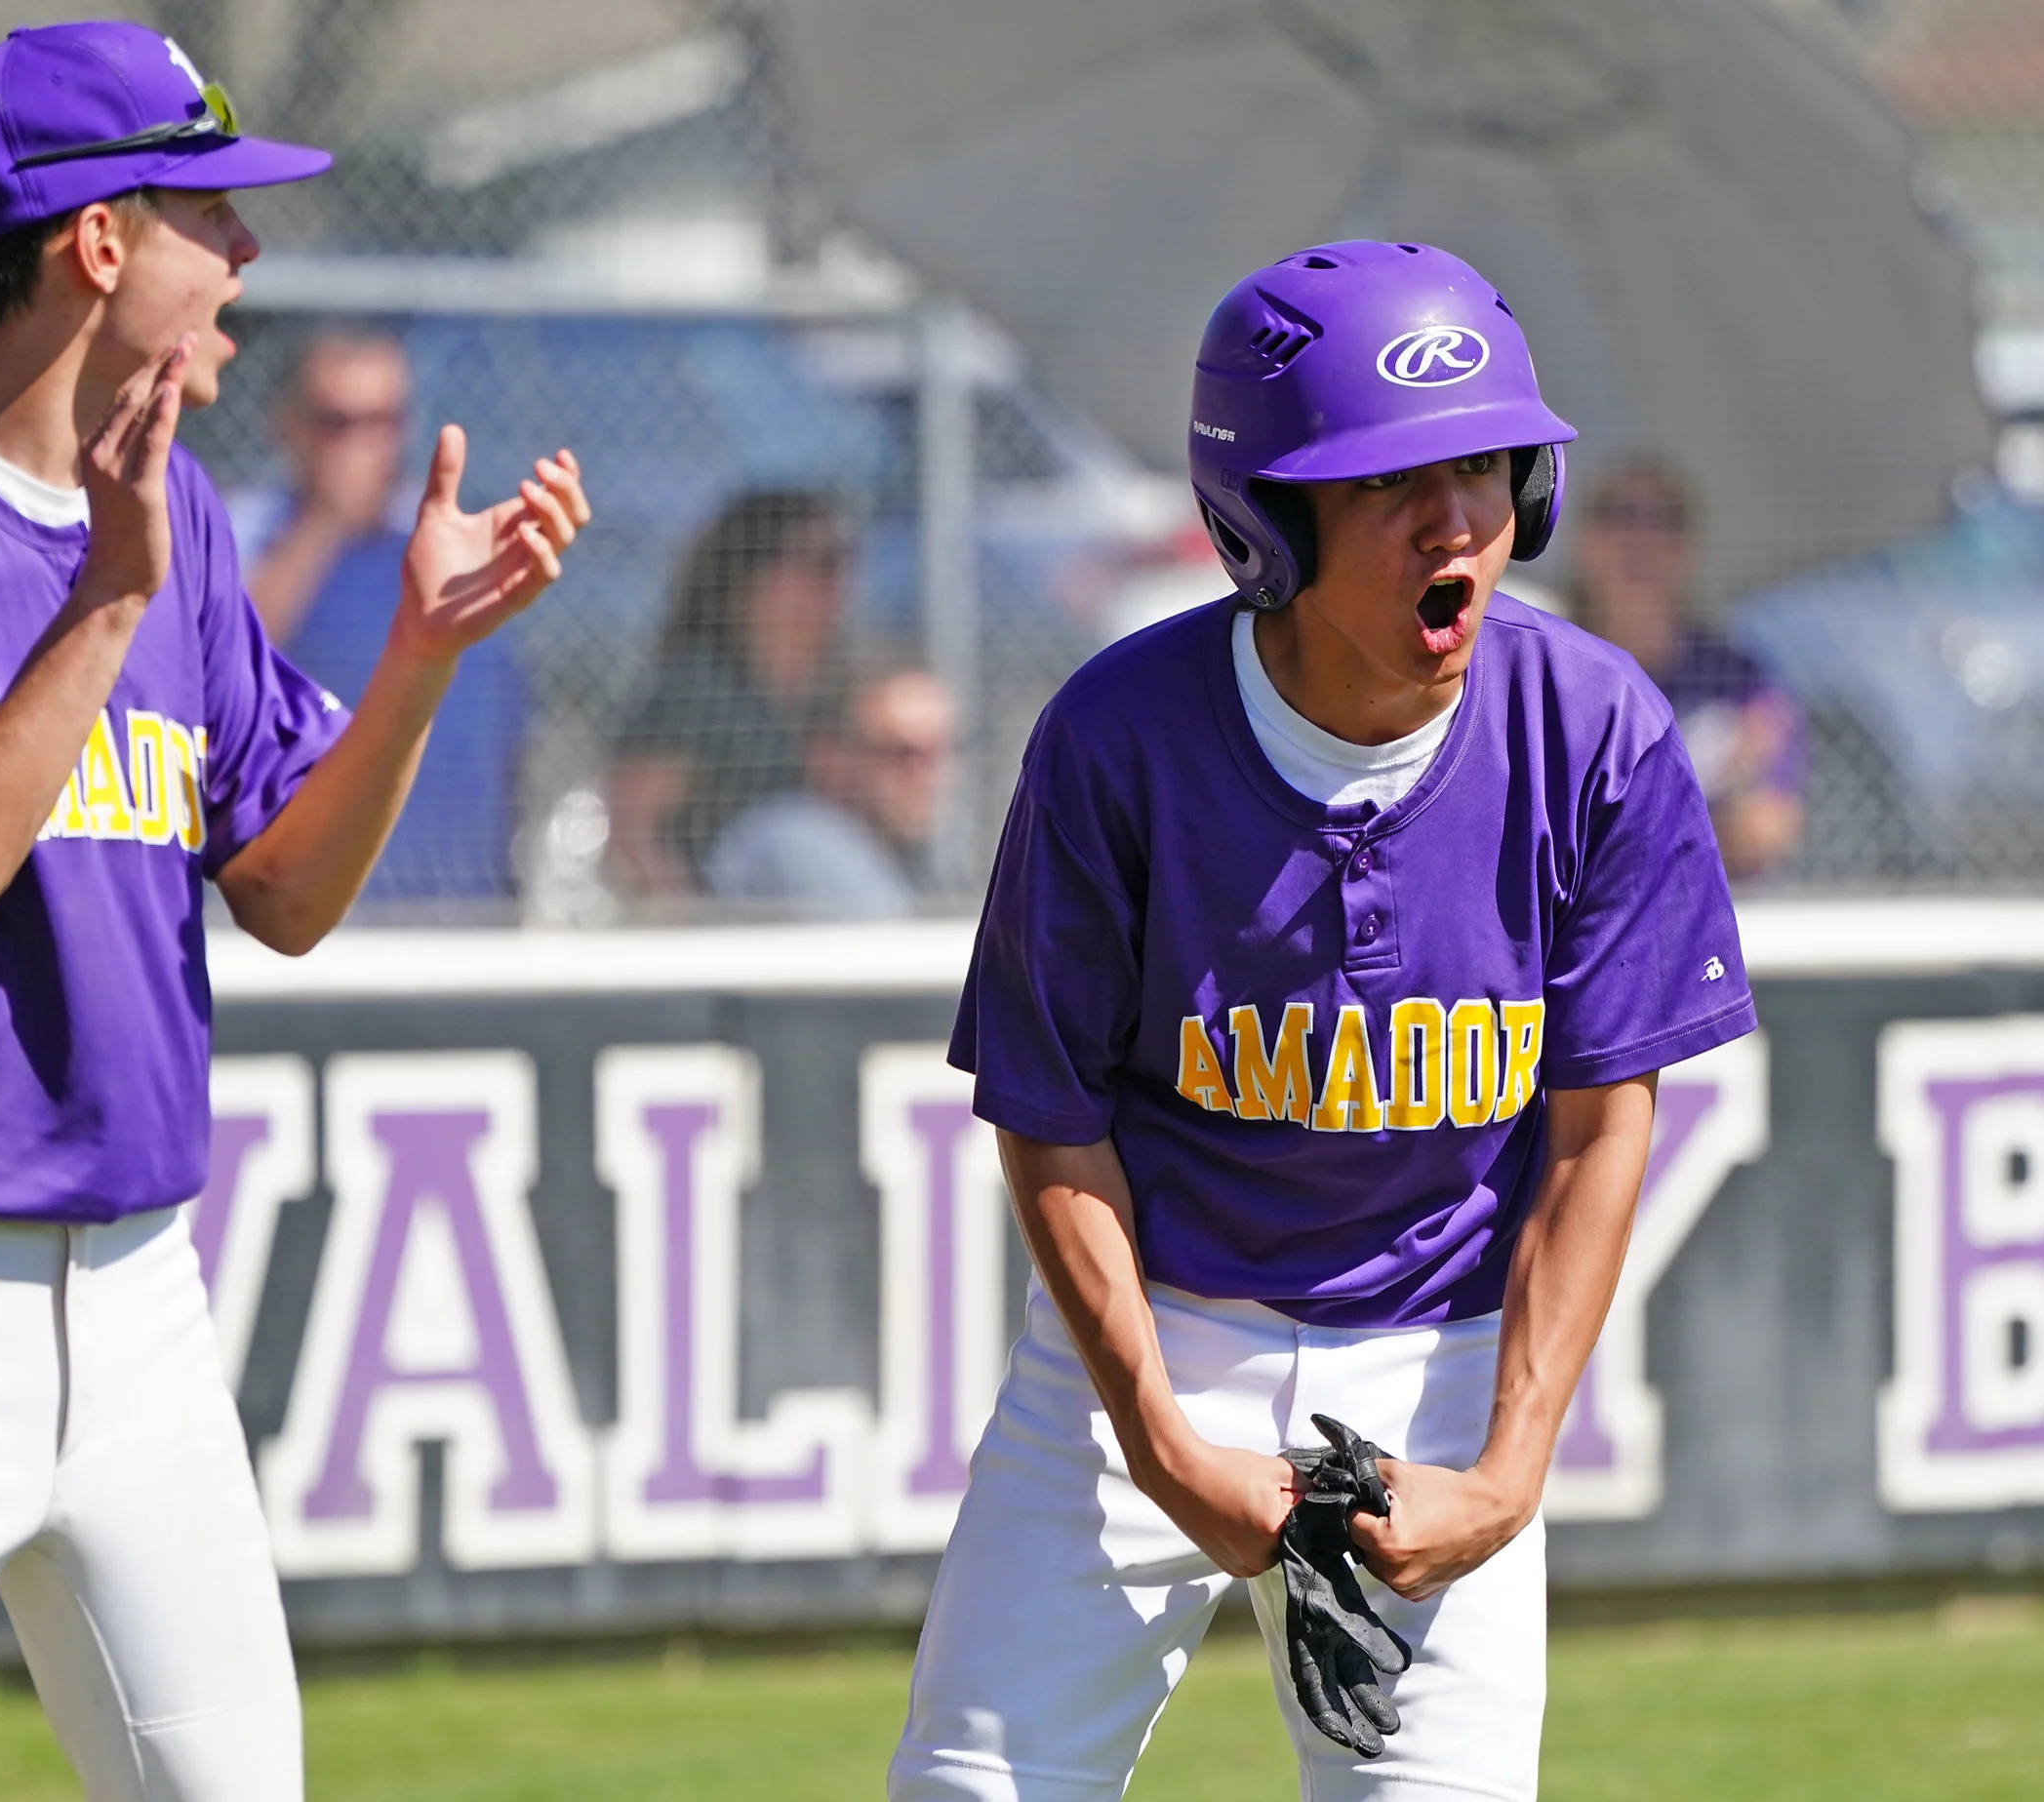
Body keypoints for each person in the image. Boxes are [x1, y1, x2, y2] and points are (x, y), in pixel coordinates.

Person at [0, 23, 589, 1799]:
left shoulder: (171, 509)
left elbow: (290, 891)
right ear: (97, 241)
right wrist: (104, 600)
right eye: (210, 212)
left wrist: (416, 654)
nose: (243, 255)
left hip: (144, 1293)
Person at [891, 242, 1756, 1799]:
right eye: (1391, 483)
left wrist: (1504, 1472)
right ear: (1265, 528)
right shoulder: (1121, 736)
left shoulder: (1592, 726)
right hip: (1153, 1339)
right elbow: (1051, 1109)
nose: (1459, 521)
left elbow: (1600, 1120)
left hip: (1441, 1349)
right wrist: (1157, 1433)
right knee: (972, 1786)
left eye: (1487, 464)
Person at [237, 331, 527, 904]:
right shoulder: (245, 530)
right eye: (340, 423)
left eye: (385, 422)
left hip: (458, 902)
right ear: (288, 425)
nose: (367, 446)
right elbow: (222, 664)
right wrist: (324, 524)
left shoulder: (440, 539)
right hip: (312, 905)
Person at [603, 488, 853, 897]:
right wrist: (694, 925)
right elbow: (631, 831)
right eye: (818, 563)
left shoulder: (840, 693)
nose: (837, 583)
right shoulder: (698, 691)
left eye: (843, 562)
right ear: (751, 578)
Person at [1568, 456, 1806, 878]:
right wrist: (1704, 794)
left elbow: (1766, 832)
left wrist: (1745, 781)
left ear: (1689, 547)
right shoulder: (1546, 670)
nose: (1640, 538)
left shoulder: (1736, 681)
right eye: (1618, 515)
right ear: (1582, 541)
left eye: (1663, 519)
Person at [703, 663, 955, 916]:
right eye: (903, 754)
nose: (931, 778)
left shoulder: (905, 857)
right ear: (829, 757)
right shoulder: (797, 839)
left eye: (940, 753)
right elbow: (886, 947)